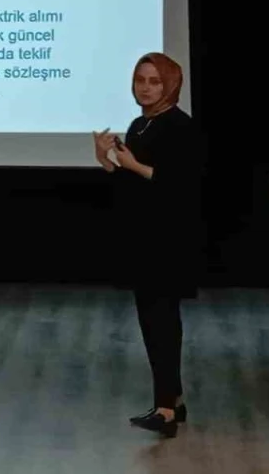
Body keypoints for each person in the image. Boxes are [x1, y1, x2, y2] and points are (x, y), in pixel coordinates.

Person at [92, 53, 206, 438]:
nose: (145, 87)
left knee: (162, 323)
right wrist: (107, 160)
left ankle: (165, 410)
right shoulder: (140, 124)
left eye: (154, 81)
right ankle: (173, 401)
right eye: (140, 79)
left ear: (170, 84)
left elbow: (182, 185)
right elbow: (131, 186)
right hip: (143, 238)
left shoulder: (181, 126)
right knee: (152, 322)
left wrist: (134, 166)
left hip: (169, 241)